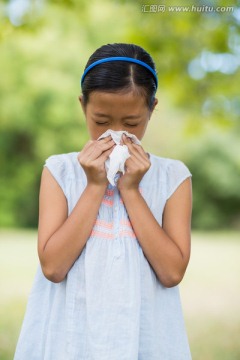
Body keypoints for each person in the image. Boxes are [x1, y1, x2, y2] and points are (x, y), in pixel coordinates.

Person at [14, 43, 192, 360]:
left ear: (152, 108)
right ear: (83, 106)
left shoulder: (173, 177)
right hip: (69, 340)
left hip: (145, 340)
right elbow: (53, 267)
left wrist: (132, 190)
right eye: (101, 121)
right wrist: (95, 185)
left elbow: (171, 273)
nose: (117, 135)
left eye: (132, 123)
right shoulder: (60, 171)